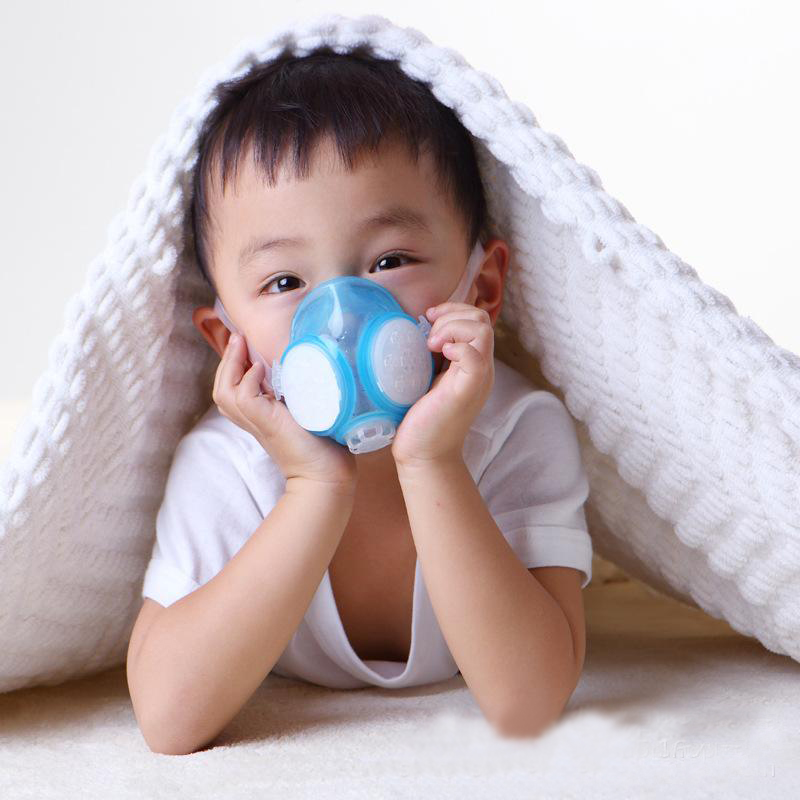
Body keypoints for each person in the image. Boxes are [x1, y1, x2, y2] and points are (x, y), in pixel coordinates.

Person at [125, 45, 593, 754]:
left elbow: (527, 701)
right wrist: (314, 487)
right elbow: (167, 720)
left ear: (482, 289)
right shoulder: (228, 465)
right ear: (228, 341)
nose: (342, 314)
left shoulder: (516, 431)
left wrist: (434, 462)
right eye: (285, 283)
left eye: (389, 261)